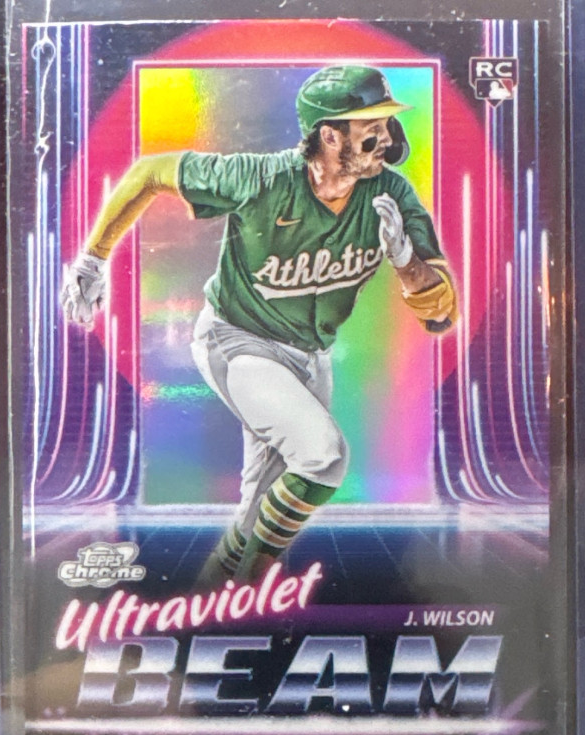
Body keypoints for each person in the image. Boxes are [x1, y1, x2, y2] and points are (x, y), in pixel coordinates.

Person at [62, 65, 458, 586]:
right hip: (237, 340)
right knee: (322, 458)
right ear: (329, 135)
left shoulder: (391, 194)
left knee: (256, 517)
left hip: (310, 357)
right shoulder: (262, 177)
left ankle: (216, 596)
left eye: (387, 123)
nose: (386, 137)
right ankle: (247, 592)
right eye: (372, 125)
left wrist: (406, 261)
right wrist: (93, 259)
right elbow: (149, 173)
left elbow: (441, 313)